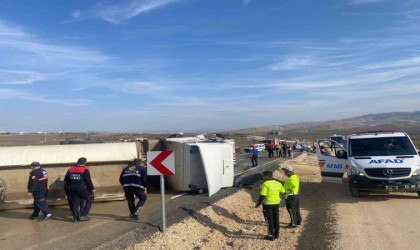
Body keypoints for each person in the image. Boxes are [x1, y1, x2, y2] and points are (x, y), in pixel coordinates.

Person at [255, 171, 285, 241]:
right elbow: (283, 191)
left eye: (263, 176)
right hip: (276, 204)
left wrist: (258, 204)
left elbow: (262, 195)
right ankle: (277, 234)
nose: (263, 177)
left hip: (267, 204)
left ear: (267, 177)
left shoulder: (265, 184)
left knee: (269, 220)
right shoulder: (278, 183)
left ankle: (270, 235)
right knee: (276, 218)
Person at [64, 157, 95, 222]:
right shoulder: (85, 170)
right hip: (82, 189)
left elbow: (66, 180)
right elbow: (88, 181)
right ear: (84, 163)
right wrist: (92, 189)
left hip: (72, 189)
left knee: (75, 202)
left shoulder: (70, 169)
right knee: (91, 198)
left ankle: (75, 218)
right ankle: (83, 215)